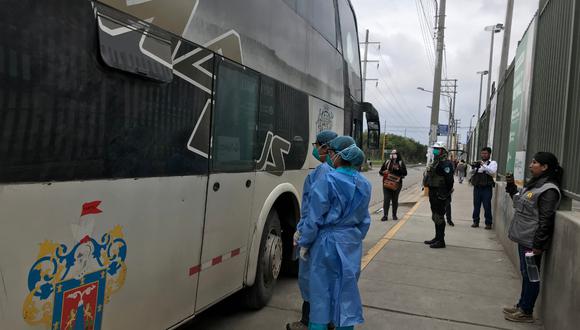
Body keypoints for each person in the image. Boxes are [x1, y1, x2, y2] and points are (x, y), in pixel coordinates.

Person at [296, 136, 371, 330]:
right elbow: (364, 221)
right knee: (347, 292)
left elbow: (314, 218)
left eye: (330, 152)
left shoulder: (327, 180)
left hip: (326, 243)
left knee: (321, 294)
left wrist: (304, 242)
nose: (329, 156)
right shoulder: (365, 184)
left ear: (337, 155)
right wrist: (352, 237)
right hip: (351, 243)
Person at [503, 152, 563, 323]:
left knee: (531, 275)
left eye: (535, 162)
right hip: (524, 237)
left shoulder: (548, 190)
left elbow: (546, 220)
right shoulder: (534, 185)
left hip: (532, 241)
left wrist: (538, 244)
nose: (530, 165)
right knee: (525, 273)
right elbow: (519, 202)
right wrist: (511, 186)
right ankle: (521, 304)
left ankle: (526, 311)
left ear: (545, 167)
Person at [287, 130, 338, 330]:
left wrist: (303, 237)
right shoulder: (346, 174)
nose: (315, 149)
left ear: (326, 148)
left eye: (317, 145)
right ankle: (330, 321)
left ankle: (308, 321)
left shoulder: (321, 173)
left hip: (318, 237)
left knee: (312, 281)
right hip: (337, 239)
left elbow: (313, 211)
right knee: (330, 281)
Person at [423, 141, 454, 249]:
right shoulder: (436, 162)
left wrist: (446, 193)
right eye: (435, 149)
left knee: (439, 217)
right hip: (433, 192)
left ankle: (441, 241)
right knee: (435, 216)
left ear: (443, 151)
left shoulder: (446, 164)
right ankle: (437, 237)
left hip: (440, 193)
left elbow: (449, 181)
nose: (435, 151)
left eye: (438, 149)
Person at [470, 147, 497, 229]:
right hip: (477, 187)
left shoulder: (493, 163)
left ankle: (488, 223)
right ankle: (475, 221)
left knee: (487, 205)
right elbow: (471, 173)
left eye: (485, 153)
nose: (484, 155)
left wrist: (483, 165)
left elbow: (492, 172)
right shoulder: (478, 163)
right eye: (482, 153)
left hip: (487, 188)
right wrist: (475, 167)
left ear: (489, 154)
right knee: (476, 205)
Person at [379, 149, 407, 221]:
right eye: (391, 153)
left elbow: (405, 173)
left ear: (397, 155)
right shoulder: (387, 162)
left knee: (395, 199)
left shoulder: (400, 163)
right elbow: (380, 171)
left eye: (394, 153)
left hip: (397, 184)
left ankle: (394, 215)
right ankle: (385, 215)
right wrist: (383, 172)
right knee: (386, 199)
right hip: (387, 183)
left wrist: (398, 169)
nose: (392, 155)